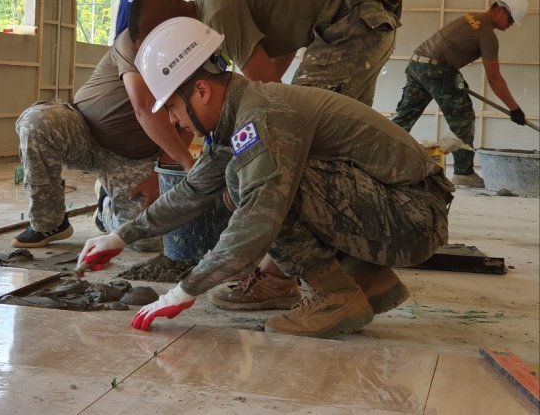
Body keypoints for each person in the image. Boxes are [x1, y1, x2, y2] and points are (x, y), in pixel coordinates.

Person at [76, 17, 454, 338]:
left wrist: (185, 290)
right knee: (239, 179)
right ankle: (368, 277)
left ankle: (335, 295)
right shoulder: (240, 112)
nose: (172, 120)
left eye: (173, 107)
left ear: (202, 91)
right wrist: (122, 235)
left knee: (254, 185)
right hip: (400, 208)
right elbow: (194, 189)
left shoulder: (265, 117)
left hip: (413, 217)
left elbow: (259, 218)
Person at [11, 27, 194, 249]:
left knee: (146, 239)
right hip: (83, 129)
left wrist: (158, 174)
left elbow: (187, 126)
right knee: (36, 124)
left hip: (133, 158)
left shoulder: (194, 64)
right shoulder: (132, 40)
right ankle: (48, 223)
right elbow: (143, 107)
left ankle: (105, 207)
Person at [128, 0, 399, 108]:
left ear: (172, 27)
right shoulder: (212, 2)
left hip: (352, 25)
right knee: (347, 122)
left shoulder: (217, 16)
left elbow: (268, 91)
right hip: (369, 21)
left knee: (308, 116)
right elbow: (282, 55)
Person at [392, 0, 529, 188]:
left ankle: (375, 156)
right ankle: (463, 173)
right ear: (499, 10)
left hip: (417, 64)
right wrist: (515, 109)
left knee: (404, 117)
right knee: (463, 118)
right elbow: (495, 78)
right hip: (438, 70)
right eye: (510, 20)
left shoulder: (472, 17)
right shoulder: (488, 34)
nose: (511, 25)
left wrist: (456, 80)